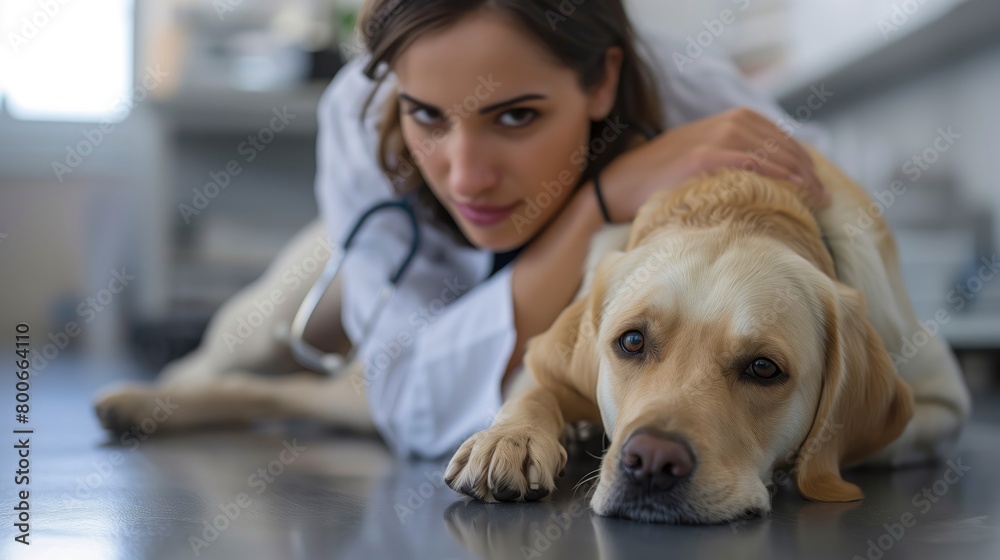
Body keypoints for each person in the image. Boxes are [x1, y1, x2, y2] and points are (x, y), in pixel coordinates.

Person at [318, 0, 831, 458]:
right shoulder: (358, 115)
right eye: (427, 116)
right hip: (383, 252)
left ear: (604, 81)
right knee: (254, 332)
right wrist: (601, 202)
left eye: (517, 116)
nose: (468, 179)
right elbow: (409, 405)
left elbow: (842, 251)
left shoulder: (696, 99)